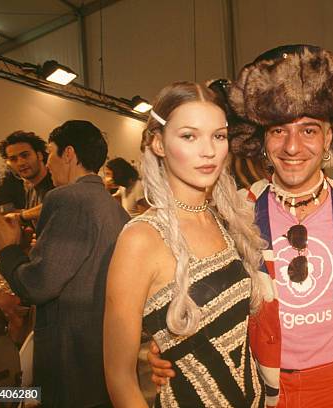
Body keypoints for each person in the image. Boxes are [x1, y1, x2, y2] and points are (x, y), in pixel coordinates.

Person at [149, 45, 333, 407]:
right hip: (256, 387)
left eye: (309, 131)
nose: (293, 147)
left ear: (329, 138)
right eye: (278, 131)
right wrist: (163, 346)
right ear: (263, 141)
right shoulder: (234, 215)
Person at [103, 82, 265, 407]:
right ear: (158, 144)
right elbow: (119, 378)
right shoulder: (141, 239)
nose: (208, 151)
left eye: (218, 136)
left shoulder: (226, 220)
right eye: (189, 136)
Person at [0, 120, 130, 407]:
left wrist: (7, 250)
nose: (50, 163)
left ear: (68, 154)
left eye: (51, 154)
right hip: (102, 354)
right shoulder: (113, 208)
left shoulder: (67, 197)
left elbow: (38, 285)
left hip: (69, 357)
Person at [0, 131, 55, 223]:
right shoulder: (30, 189)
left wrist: (21, 216)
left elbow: (58, 205)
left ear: (39, 155)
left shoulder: (56, 182)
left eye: (25, 155)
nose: (20, 163)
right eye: (13, 159)